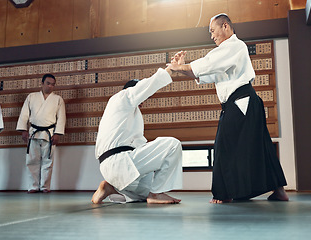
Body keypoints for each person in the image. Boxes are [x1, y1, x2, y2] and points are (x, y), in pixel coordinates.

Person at [168, 13, 289, 203]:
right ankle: (278, 190)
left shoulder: (234, 46)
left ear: (225, 26)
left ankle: (224, 194)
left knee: (224, 146)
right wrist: (182, 68)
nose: (212, 36)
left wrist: (181, 68)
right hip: (243, 103)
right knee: (260, 145)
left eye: (213, 31)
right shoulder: (225, 52)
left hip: (242, 101)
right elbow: (202, 74)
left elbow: (207, 64)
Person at [92, 67, 183, 204]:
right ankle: (156, 194)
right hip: (119, 161)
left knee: (143, 194)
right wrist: (169, 70)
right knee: (172, 145)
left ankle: (110, 188)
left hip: (114, 167)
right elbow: (148, 85)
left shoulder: (124, 111)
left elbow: (140, 146)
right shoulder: (122, 97)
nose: (143, 100)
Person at [16, 74, 66, 193]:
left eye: (53, 84)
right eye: (48, 83)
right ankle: (33, 186)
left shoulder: (58, 99)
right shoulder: (31, 97)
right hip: (33, 132)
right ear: (42, 83)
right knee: (32, 160)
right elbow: (24, 114)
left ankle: (45, 187)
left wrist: (57, 133)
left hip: (49, 133)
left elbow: (61, 118)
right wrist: (23, 130)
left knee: (48, 161)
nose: (50, 86)